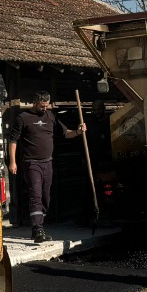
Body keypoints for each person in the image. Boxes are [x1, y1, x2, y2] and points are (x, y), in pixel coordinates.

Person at [7, 91, 86, 244]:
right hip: (31, 163)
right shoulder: (22, 118)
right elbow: (13, 141)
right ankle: (37, 229)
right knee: (35, 194)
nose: (44, 109)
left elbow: (66, 133)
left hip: (48, 163)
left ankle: (40, 224)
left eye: (47, 106)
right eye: (42, 106)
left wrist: (78, 131)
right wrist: (12, 162)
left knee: (45, 196)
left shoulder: (51, 117)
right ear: (35, 103)